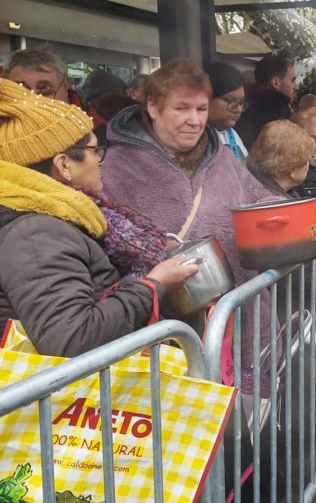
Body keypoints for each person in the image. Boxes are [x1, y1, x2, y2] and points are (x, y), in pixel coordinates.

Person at [100, 59, 278, 387]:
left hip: (243, 321)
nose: (194, 121)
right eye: (181, 108)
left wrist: (280, 218)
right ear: (153, 106)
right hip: (166, 333)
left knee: (251, 424)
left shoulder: (221, 154)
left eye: (200, 109)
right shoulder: (115, 168)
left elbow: (259, 196)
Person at [0, 78, 197, 357]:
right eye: (95, 151)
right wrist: (153, 285)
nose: (101, 161)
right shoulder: (36, 233)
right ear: (64, 165)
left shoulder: (52, 218)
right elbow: (72, 338)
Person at [236, 53, 296, 147]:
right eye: (292, 80)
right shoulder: (280, 109)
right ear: (275, 83)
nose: (296, 87)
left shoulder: (245, 108)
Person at [246, 120, 315, 195]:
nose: (309, 164)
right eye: (308, 159)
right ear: (292, 170)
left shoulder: (249, 185)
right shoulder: (273, 202)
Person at [5, 48, 82, 107]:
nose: (33, 100)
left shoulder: (90, 124)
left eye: (44, 89)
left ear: (64, 86)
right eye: (20, 90)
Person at [205, 62, 249, 160]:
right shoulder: (194, 138)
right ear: (207, 98)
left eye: (241, 103)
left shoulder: (232, 134)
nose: (238, 109)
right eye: (230, 101)